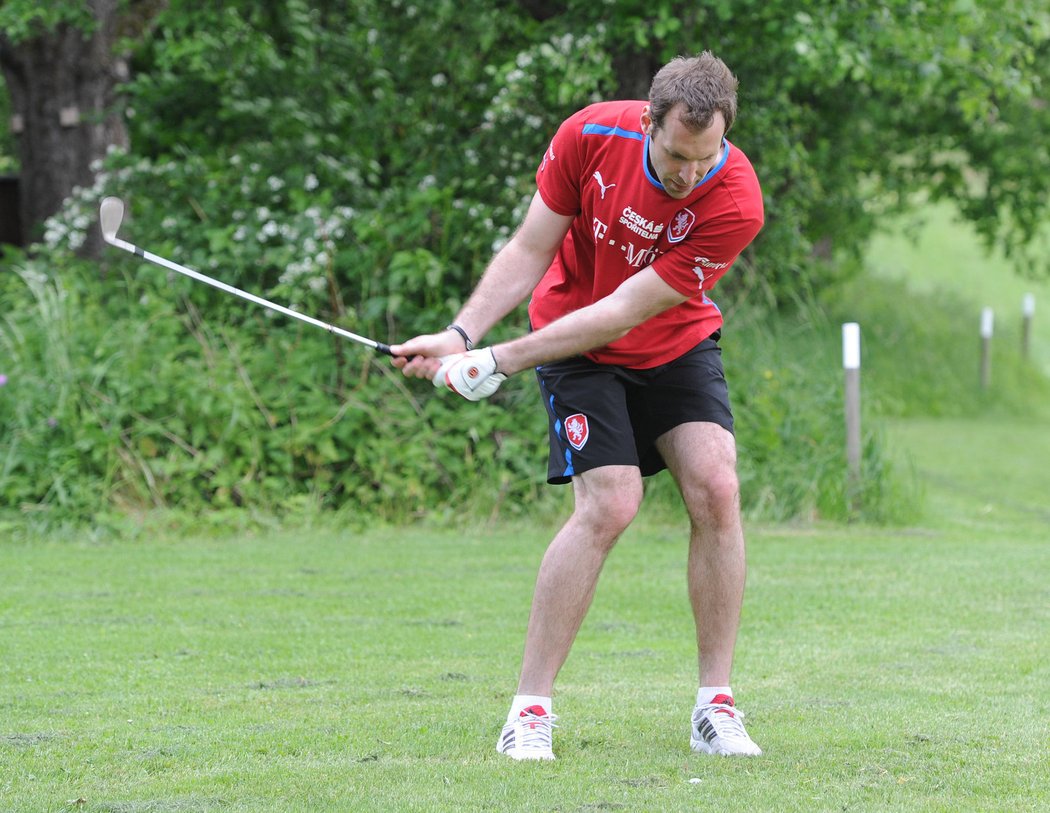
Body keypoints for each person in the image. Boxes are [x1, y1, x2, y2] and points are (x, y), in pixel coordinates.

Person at [392, 51, 764, 760]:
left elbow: (626, 309)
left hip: (672, 340)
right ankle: (529, 710)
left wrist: (497, 359)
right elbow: (531, 247)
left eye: (706, 156)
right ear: (650, 122)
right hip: (574, 342)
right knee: (609, 503)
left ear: (725, 136)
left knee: (718, 484)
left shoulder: (735, 200)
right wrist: (460, 334)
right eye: (679, 155)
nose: (690, 174)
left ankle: (714, 706)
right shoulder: (591, 137)